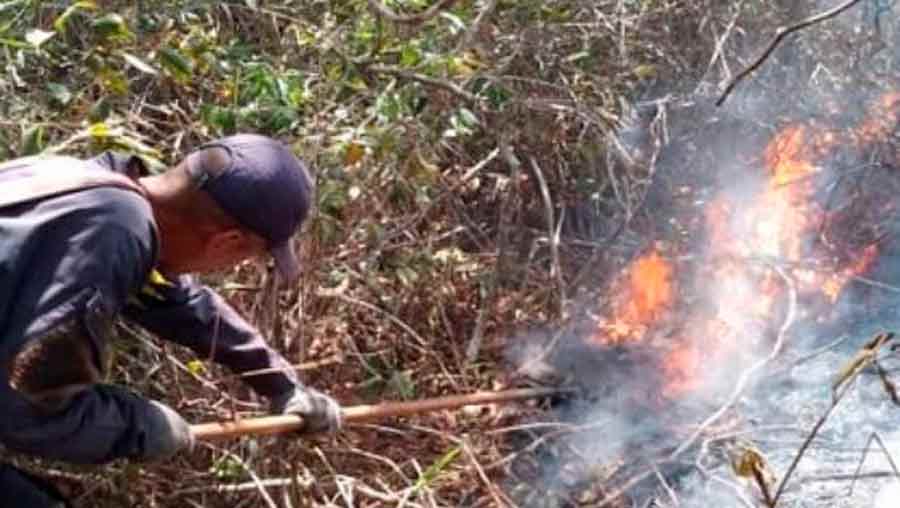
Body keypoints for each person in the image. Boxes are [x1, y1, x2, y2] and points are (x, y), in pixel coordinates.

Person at [0, 134, 342, 506]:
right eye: (242, 258)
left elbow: (182, 303)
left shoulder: (85, 185)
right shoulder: (113, 234)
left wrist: (282, 384)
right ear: (226, 242)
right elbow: (29, 413)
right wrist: (140, 426)